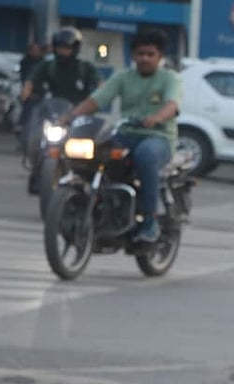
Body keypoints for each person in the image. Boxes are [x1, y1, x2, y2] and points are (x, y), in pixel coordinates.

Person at [62, 30, 181, 244]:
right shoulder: (122, 77)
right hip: (126, 133)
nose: (144, 58)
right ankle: (99, 206)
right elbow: (97, 100)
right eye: (140, 53)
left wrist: (156, 117)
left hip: (158, 137)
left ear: (159, 56)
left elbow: (171, 105)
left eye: (150, 54)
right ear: (133, 56)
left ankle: (149, 223)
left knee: (146, 156)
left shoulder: (169, 78)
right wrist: (70, 117)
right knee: (94, 152)